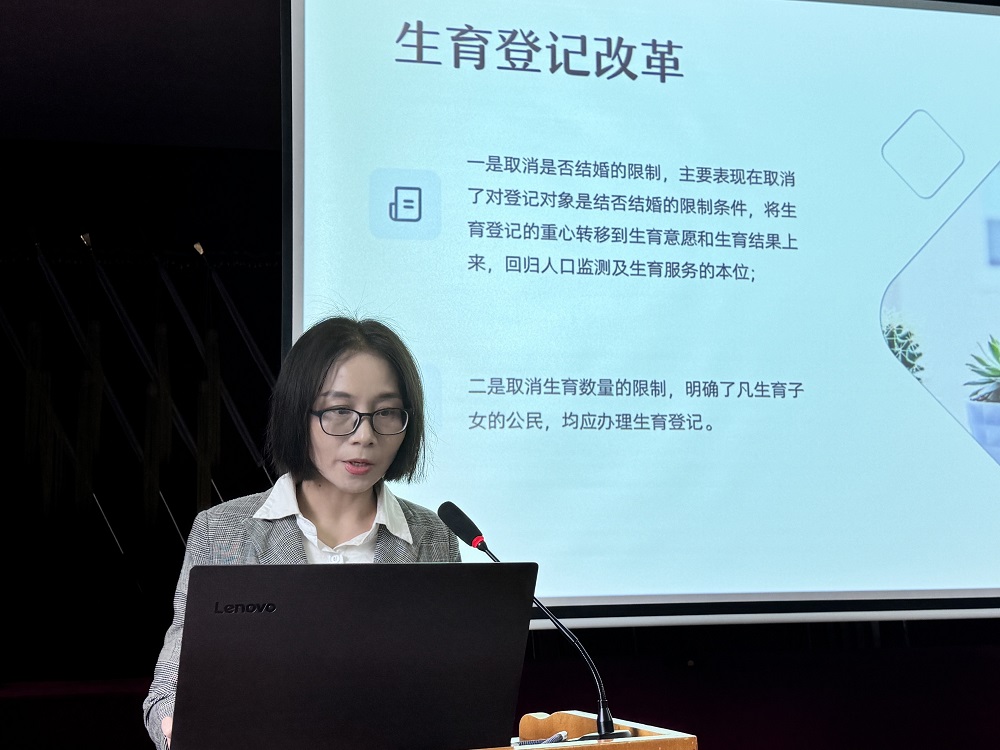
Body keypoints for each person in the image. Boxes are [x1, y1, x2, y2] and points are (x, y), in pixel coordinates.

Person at [142, 316, 460, 748]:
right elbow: (167, 693)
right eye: (340, 411)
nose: (364, 436)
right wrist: (177, 726)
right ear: (299, 413)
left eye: (386, 412)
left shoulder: (433, 537)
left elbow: (450, 693)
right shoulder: (222, 532)